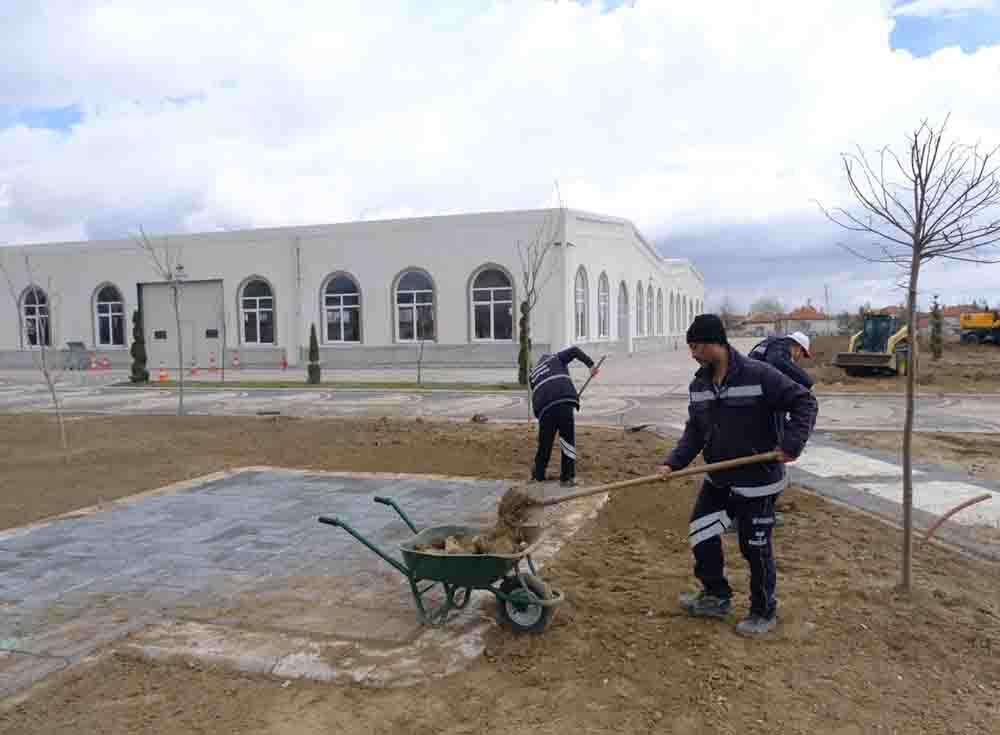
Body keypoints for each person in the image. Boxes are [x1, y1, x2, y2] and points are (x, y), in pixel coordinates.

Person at [659, 314, 817, 636]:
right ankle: (716, 596)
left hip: (758, 481)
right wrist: (672, 463)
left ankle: (763, 610)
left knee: (754, 546)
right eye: (690, 347)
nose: (693, 353)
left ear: (717, 343)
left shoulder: (760, 375)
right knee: (701, 531)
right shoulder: (699, 385)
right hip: (718, 478)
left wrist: (791, 444)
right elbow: (695, 432)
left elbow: (805, 403)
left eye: (697, 346)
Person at [529, 346, 600, 487]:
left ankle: (538, 475)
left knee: (545, 443)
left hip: (545, 408)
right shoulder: (556, 358)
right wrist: (591, 365)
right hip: (563, 400)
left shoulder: (534, 373)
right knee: (567, 441)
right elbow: (574, 350)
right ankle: (567, 478)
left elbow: (538, 393)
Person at [748, 331, 814, 389]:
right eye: (802, 354)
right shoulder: (780, 347)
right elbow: (778, 362)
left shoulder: (771, 344)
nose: (800, 358)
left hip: (749, 387)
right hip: (753, 388)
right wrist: (807, 381)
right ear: (798, 348)